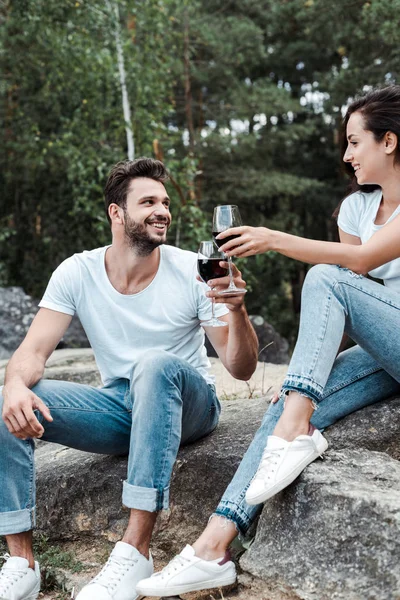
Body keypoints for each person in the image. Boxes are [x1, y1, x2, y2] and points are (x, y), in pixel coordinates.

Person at [136, 85, 400, 598]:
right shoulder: (355, 210)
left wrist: (273, 238)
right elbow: (356, 305)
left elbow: (359, 264)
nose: (347, 155)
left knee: (325, 276)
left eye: (354, 142)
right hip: (385, 352)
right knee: (284, 411)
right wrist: (307, 377)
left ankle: (295, 427)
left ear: (389, 141)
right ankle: (215, 545)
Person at [0, 157, 259, 600]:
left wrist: (237, 311)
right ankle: (21, 562)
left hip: (188, 401)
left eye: (164, 201)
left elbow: (242, 367)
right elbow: (33, 352)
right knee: (7, 397)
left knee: (153, 365)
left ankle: (135, 551)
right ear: (116, 213)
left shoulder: (192, 269)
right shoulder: (77, 272)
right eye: (148, 202)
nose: (162, 210)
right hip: (122, 407)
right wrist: (14, 385)